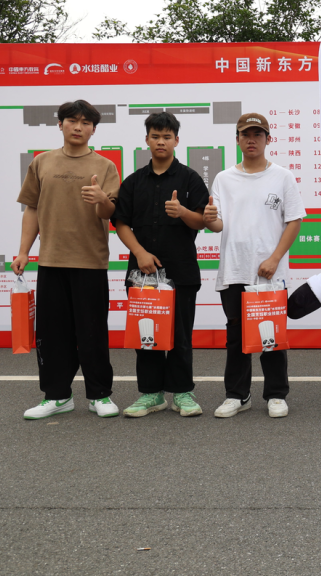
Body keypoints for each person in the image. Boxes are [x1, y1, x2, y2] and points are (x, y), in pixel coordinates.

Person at [14, 100, 121, 419]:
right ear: (59, 124)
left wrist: (102, 200)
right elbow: (31, 208)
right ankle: (57, 396)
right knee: (51, 334)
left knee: (92, 333)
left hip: (90, 262)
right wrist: (23, 251)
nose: (78, 127)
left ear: (93, 129)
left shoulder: (105, 166)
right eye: (72, 120)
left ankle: (100, 395)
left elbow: (111, 212)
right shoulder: (42, 163)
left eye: (86, 122)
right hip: (51, 262)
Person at [204, 113, 304, 418]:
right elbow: (218, 225)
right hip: (234, 269)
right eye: (246, 134)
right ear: (237, 139)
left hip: (270, 274)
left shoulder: (282, 176)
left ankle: (276, 395)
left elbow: (295, 220)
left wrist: (275, 258)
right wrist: (210, 221)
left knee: (271, 337)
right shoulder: (224, 178)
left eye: (258, 134)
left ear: (267, 140)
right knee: (236, 337)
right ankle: (237, 394)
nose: (251, 140)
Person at [113, 112, 210, 418]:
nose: (161, 142)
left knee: (181, 335)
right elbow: (121, 223)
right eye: (155, 136)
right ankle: (151, 394)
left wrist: (182, 211)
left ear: (176, 141)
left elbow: (203, 222)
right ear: (147, 141)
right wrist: (139, 253)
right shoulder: (134, 181)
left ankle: (182, 392)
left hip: (180, 271)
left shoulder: (190, 179)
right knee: (147, 335)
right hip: (143, 273)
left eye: (167, 137)